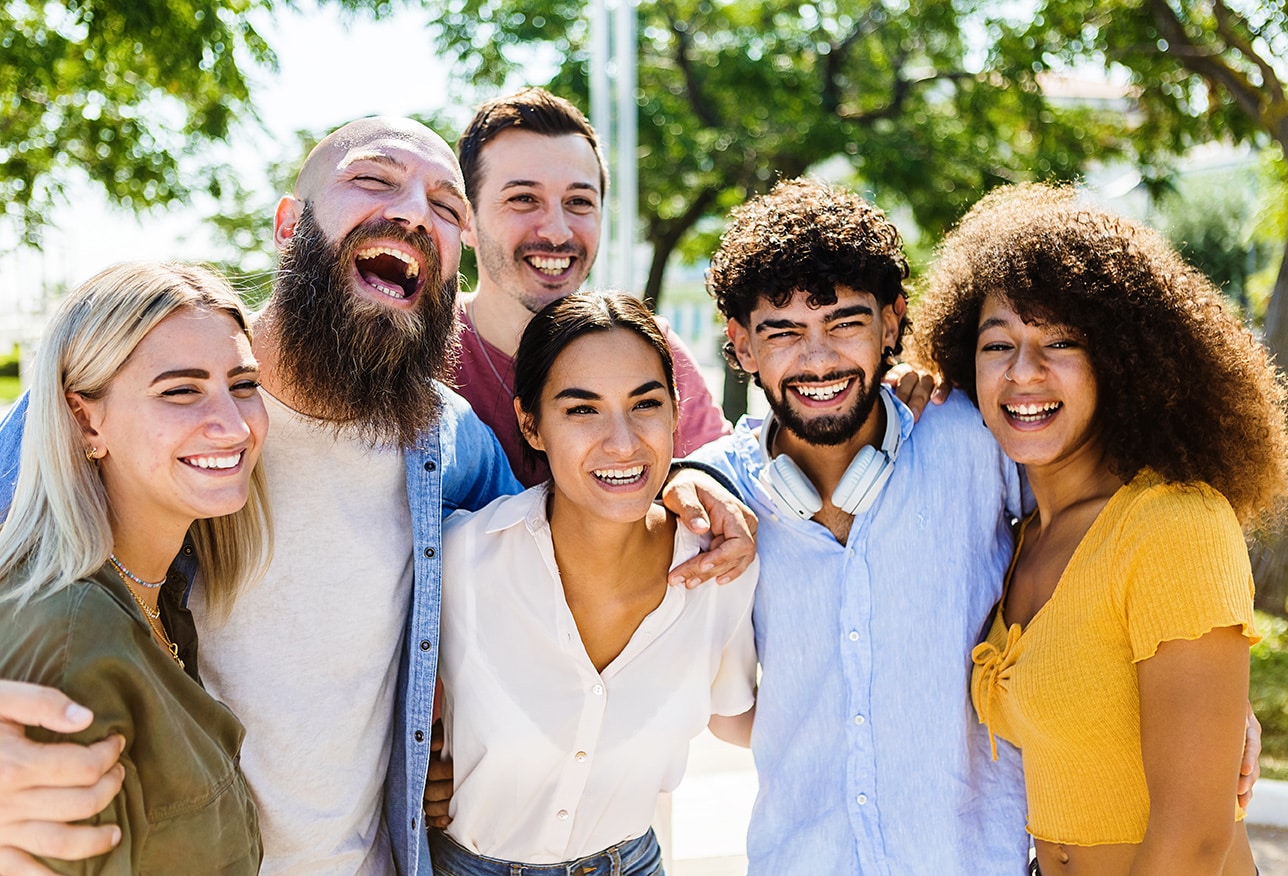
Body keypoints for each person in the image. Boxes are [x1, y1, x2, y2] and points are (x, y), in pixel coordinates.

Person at [0, 117, 754, 876]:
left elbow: (572, 544)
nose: (416, 212)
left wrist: (697, 478)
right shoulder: (123, 406)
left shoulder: (451, 444)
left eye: (446, 205)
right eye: (373, 179)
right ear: (290, 225)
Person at [916, 183, 1288, 875]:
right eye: (997, 344)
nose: (1023, 373)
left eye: (1060, 342)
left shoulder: (1172, 524)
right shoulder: (1020, 534)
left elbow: (1193, 839)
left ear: (1122, 363)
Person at [688, 177, 1031, 874]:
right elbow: (718, 709)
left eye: (844, 322)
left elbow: (1111, 541)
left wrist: (1209, 690)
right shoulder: (711, 493)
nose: (816, 360)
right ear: (741, 345)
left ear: (891, 321)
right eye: (781, 332)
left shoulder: (977, 440)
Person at [431, 292, 756, 875]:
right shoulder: (460, 561)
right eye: (582, 410)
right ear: (531, 425)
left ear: (676, 412)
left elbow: (737, 717)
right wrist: (412, 770)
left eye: (645, 404)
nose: (624, 442)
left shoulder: (722, 571)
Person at [0, 262, 271, 874]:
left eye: (244, 383)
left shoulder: (166, 593)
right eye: (181, 390)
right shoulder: (67, 635)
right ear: (85, 419)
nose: (232, 425)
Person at [451, 87, 731, 483]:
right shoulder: (417, 348)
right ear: (466, 219)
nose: (556, 231)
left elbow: (722, 473)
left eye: (579, 202)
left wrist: (689, 480)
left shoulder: (649, 346)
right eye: (524, 199)